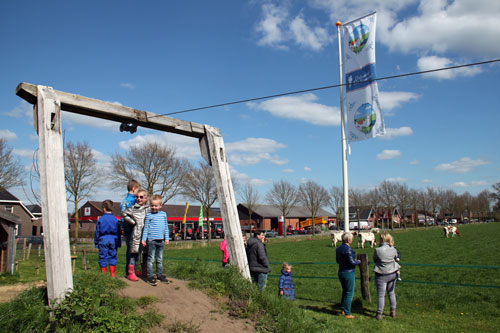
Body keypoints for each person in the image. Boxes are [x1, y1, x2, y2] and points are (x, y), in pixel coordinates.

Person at [141, 195, 170, 286]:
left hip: (161, 240)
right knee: (151, 259)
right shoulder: (149, 215)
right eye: (152, 205)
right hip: (151, 240)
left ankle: (159, 275)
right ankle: (150, 276)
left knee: (159, 259)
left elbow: (165, 227)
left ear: (160, 206)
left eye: (155, 206)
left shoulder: (163, 214)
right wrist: (143, 239)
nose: (153, 207)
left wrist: (167, 238)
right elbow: (146, 228)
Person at [122, 189, 149, 282]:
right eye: (137, 197)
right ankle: (131, 272)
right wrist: (133, 222)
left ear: (146, 198)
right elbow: (124, 214)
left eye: (141, 197)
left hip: (147, 236)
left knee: (145, 253)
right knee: (134, 253)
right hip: (136, 234)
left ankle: (144, 271)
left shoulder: (149, 209)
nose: (138, 199)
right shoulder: (133, 208)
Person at [373, 232, 401, 320]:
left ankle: (379, 313)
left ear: (382, 240)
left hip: (381, 274)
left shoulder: (377, 250)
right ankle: (393, 311)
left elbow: (375, 259)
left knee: (381, 295)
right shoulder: (393, 249)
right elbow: (396, 257)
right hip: (392, 272)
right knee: (391, 292)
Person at [336, 232, 360, 319]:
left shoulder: (338, 249)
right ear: (349, 240)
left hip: (341, 271)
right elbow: (352, 262)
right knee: (349, 293)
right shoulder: (349, 250)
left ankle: (343, 308)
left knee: (344, 291)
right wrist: (359, 262)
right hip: (348, 272)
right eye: (352, 239)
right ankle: (347, 312)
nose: (352, 240)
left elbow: (337, 261)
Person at [94, 200, 121, 277]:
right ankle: (112, 274)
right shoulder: (115, 219)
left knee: (103, 256)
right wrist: (118, 242)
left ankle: (104, 274)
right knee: (112, 256)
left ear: (104, 209)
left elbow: (97, 232)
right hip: (113, 239)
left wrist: (96, 242)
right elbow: (118, 232)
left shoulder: (101, 219)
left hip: (103, 239)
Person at [120, 179, 140, 277]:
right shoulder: (133, 201)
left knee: (129, 248)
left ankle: (130, 270)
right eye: (138, 190)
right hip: (132, 227)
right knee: (134, 249)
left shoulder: (124, 201)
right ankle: (131, 270)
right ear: (133, 188)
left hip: (125, 227)